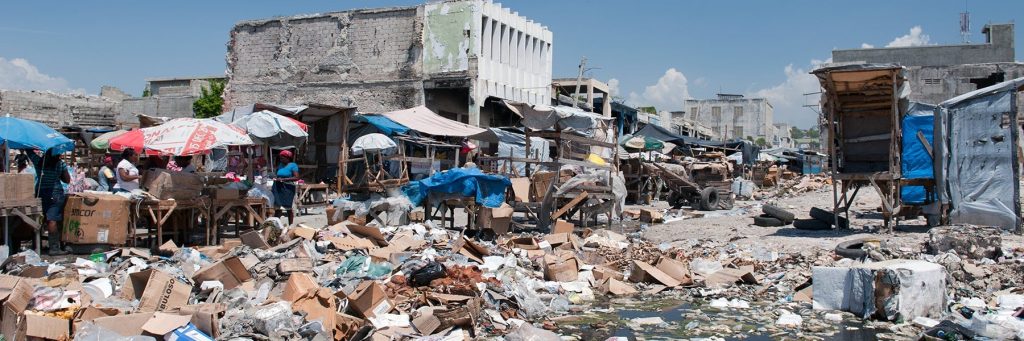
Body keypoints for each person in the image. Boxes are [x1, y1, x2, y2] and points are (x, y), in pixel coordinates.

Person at [27, 148, 71, 255]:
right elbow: (67, 180)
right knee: (52, 220)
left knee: (39, 218)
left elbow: (29, 152)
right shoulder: (60, 164)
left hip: (40, 192)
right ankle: (54, 248)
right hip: (55, 192)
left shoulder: (39, 162)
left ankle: (36, 246)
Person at [272, 150, 299, 224]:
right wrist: (276, 178)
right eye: (280, 158)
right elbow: (278, 174)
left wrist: (284, 179)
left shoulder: (293, 165)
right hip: (279, 187)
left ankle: (290, 225)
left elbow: (296, 177)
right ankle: (275, 225)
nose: (281, 160)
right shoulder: (280, 165)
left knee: (288, 208)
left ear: (288, 158)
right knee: (278, 207)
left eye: (283, 158)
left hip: (288, 188)